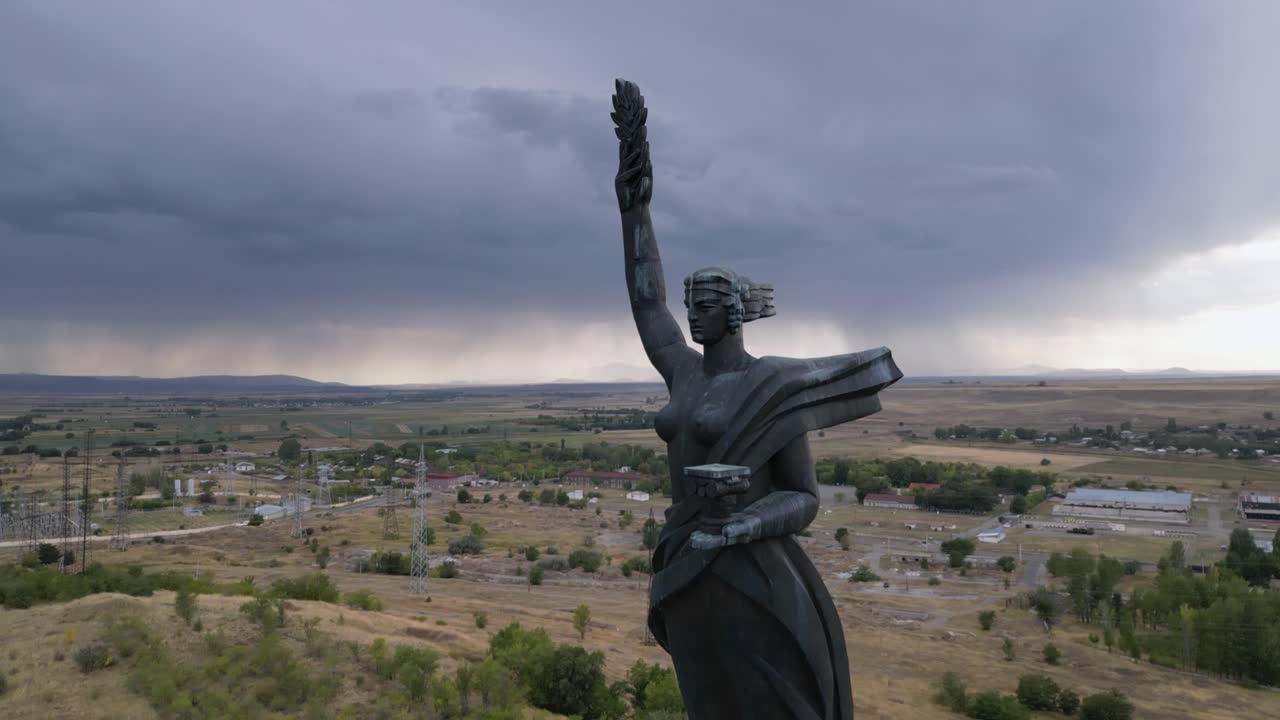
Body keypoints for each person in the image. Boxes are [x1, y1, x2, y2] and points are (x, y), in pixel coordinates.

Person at [611, 79, 902, 720]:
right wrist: (635, 211)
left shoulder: (769, 388)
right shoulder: (682, 374)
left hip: (752, 576)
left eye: (708, 306)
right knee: (703, 703)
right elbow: (646, 300)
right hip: (687, 565)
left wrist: (742, 524)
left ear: (736, 314)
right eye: (691, 306)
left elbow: (802, 497)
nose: (692, 317)